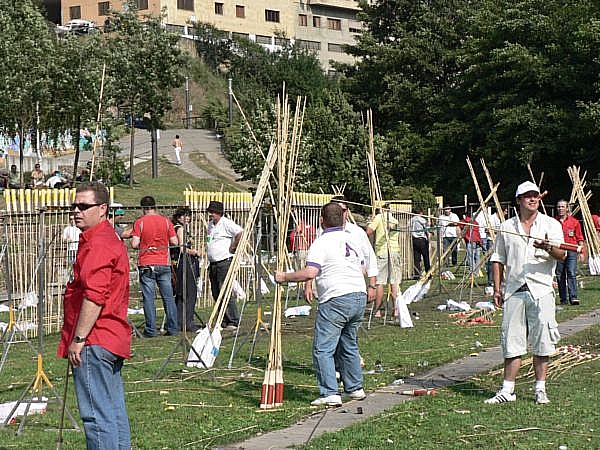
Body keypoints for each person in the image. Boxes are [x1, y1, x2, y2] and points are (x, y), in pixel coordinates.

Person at [274, 202, 376, 406]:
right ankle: (355, 387)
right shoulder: (351, 238)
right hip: (357, 294)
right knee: (348, 344)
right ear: (343, 217)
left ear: (322, 220)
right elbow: (364, 267)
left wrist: (284, 277)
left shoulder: (321, 242)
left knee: (323, 348)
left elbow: (310, 272)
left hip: (336, 298)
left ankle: (330, 392)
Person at [57, 181, 131, 449]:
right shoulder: (103, 238)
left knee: (96, 417)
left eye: (83, 206)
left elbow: (94, 296)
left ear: (102, 209)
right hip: (109, 337)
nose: (76, 211)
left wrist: (78, 338)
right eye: (74, 206)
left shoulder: (99, 243)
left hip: (95, 339)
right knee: (112, 410)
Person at [486, 181, 565, 405]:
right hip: (514, 290)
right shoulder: (506, 227)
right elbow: (498, 258)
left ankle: (540, 388)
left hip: (541, 289)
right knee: (511, 340)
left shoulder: (550, 224)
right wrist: (497, 288)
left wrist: (547, 247)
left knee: (543, 339)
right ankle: (507, 389)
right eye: (527, 196)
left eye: (535, 196)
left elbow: (562, 254)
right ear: (519, 200)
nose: (532, 199)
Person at [131, 196, 180, 337]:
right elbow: (174, 241)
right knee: (168, 297)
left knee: (149, 298)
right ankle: (173, 328)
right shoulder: (166, 221)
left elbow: (134, 244)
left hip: (146, 263)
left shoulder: (140, 222)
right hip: (163, 262)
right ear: (155, 207)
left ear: (143, 208)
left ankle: (151, 330)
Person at [206, 200, 243, 330]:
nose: (210, 214)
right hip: (213, 263)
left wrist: (234, 246)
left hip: (224, 261)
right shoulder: (210, 225)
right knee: (216, 292)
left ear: (218, 213)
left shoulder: (226, 223)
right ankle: (224, 319)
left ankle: (233, 320)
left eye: (212, 212)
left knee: (225, 290)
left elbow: (240, 232)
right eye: (209, 212)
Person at [367, 205, 401, 318]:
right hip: (395, 251)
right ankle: (395, 309)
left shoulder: (379, 217)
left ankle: (377, 310)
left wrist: (370, 223)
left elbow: (369, 231)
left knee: (380, 282)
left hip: (382, 251)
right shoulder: (395, 220)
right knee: (394, 281)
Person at [171, 207, 201, 332]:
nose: (187, 218)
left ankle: (179, 322)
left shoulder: (176, 228)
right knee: (189, 293)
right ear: (178, 217)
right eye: (184, 215)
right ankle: (187, 322)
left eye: (188, 216)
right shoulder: (180, 229)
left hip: (180, 263)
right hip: (185, 262)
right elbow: (182, 248)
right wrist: (195, 252)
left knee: (182, 293)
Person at [555, 200, 585, 306]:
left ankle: (573, 297)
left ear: (567, 208)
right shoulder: (553, 222)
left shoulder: (575, 222)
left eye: (562, 207)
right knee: (559, 275)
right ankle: (563, 299)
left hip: (572, 250)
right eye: (559, 207)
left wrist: (581, 252)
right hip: (559, 250)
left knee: (571, 273)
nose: (560, 209)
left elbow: (580, 238)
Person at [410, 209, 430, 279]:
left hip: (415, 240)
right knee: (426, 257)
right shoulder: (422, 220)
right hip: (422, 240)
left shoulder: (411, 220)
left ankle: (417, 274)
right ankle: (428, 273)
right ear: (420, 213)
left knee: (416, 258)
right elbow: (427, 229)